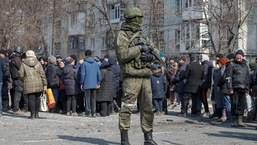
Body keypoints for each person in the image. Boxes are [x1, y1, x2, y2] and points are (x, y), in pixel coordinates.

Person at [114, 6, 158, 145]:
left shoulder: (142, 35)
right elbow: (122, 55)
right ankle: (124, 140)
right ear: (133, 18)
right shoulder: (122, 35)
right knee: (127, 107)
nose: (140, 20)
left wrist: (149, 56)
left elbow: (155, 51)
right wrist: (139, 48)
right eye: (138, 18)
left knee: (147, 109)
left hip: (145, 76)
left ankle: (148, 138)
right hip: (131, 76)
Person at [18, 50, 47, 119]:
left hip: (28, 83)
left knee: (31, 99)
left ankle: (32, 114)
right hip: (39, 83)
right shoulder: (38, 63)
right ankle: (37, 114)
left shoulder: (23, 63)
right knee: (37, 99)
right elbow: (42, 74)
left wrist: (23, 80)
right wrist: (45, 83)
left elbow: (21, 74)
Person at [224, 50, 250, 127]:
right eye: (237, 55)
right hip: (235, 88)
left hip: (243, 88)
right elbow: (228, 77)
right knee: (234, 104)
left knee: (242, 105)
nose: (238, 57)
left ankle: (240, 120)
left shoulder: (245, 65)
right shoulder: (232, 65)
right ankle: (234, 120)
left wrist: (247, 88)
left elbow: (247, 77)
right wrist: (230, 87)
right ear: (235, 57)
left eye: (240, 56)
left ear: (243, 57)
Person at [80, 49, 101, 118]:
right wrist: (98, 82)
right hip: (94, 83)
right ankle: (94, 112)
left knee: (87, 98)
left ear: (85, 55)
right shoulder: (96, 64)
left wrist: (81, 83)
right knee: (93, 98)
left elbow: (83, 74)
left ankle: (88, 112)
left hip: (87, 83)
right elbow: (98, 74)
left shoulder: (84, 64)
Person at [9, 46, 24, 115]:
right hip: (17, 78)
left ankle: (15, 107)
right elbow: (20, 67)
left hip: (14, 77)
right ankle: (16, 109)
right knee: (18, 94)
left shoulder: (11, 58)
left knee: (16, 93)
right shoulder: (17, 59)